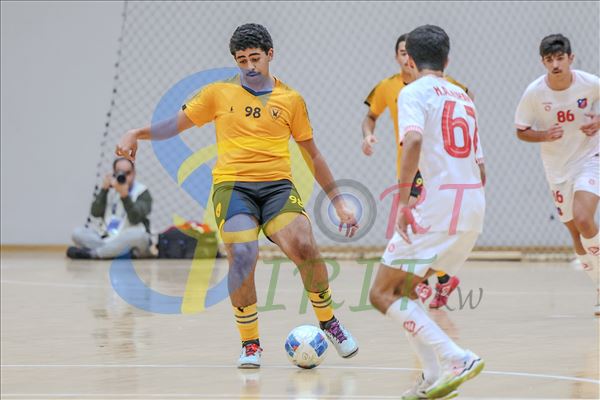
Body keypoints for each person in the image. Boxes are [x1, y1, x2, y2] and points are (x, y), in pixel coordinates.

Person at [115, 23, 359, 368]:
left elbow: (313, 154)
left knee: (304, 245)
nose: (249, 66)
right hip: (233, 188)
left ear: (270, 55)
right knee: (243, 255)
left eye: (255, 58)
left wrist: (338, 201)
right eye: (242, 59)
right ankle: (251, 344)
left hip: (277, 187)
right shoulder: (218, 93)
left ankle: (329, 321)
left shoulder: (291, 100)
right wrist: (135, 132)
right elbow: (175, 124)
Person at [368, 25, 486, 399]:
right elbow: (481, 167)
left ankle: (456, 357)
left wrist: (404, 201)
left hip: (439, 204)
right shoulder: (463, 97)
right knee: (406, 289)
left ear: (411, 61)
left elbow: (414, 139)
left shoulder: (413, 92)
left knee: (381, 293)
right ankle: (432, 375)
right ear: (447, 59)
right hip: (473, 203)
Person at [361, 33, 481, 309]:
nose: (406, 58)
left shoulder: (442, 87)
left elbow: (467, 101)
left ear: (414, 58)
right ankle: (441, 280)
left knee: (412, 223)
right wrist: (367, 136)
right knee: (422, 228)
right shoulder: (388, 86)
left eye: (408, 52)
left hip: (433, 169)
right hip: (410, 166)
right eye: (401, 53)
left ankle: (422, 283)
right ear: (397, 57)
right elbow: (370, 116)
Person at [515, 34, 600, 316]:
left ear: (570, 58)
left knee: (584, 218)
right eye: (549, 60)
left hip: (590, 158)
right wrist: (543, 135)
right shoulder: (535, 93)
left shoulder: (590, 83)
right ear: (543, 62)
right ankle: (598, 285)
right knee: (575, 231)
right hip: (557, 168)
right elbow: (521, 130)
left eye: (560, 58)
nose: (555, 65)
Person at [68, 158, 153, 259]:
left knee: (140, 235)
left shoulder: (142, 192)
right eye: (120, 173)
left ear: (134, 173)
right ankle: (114, 252)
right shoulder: (110, 189)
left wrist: (125, 196)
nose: (124, 176)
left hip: (130, 239)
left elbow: (135, 218)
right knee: (77, 233)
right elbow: (95, 213)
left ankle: (94, 254)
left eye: (127, 173)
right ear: (114, 173)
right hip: (109, 237)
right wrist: (104, 190)